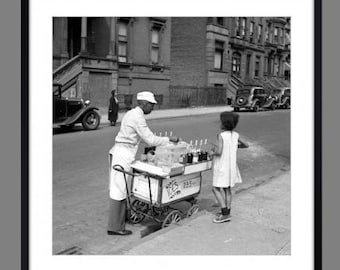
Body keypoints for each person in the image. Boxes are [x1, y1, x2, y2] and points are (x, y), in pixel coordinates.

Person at [107, 91, 179, 236]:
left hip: (121, 151)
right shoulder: (137, 117)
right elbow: (150, 139)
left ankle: (120, 220)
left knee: (122, 188)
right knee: (119, 189)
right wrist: (169, 139)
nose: (152, 108)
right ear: (144, 104)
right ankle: (115, 227)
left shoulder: (132, 113)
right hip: (123, 154)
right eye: (151, 105)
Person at [209, 111, 249, 223]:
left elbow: (219, 152)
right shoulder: (236, 135)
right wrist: (234, 146)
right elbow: (246, 145)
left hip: (222, 166)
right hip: (231, 167)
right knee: (227, 189)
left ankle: (225, 213)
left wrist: (213, 152)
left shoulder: (221, 135)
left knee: (215, 188)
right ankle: (227, 211)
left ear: (223, 124)